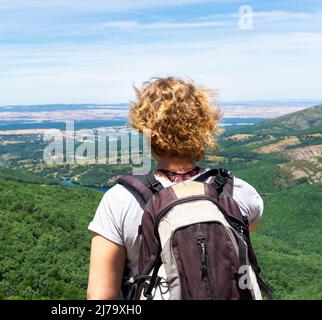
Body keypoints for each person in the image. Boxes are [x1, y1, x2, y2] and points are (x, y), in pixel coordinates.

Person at [86, 77, 264, 300]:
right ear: (204, 126)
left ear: (145, 130)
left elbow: (100, 297)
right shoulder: (238, 192)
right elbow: (247, 229)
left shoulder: (120, 200)